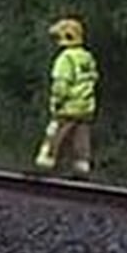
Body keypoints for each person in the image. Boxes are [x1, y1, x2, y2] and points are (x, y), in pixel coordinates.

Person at [34, 17, 99, 178]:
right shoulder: (87, 57)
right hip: (86, 108)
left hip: (67, 107)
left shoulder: (65, 58)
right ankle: (81, 169)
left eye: (58, 36)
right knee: (81, 141)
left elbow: (61, 84)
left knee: (55, 136)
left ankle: (45, 165)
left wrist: (56, 102)